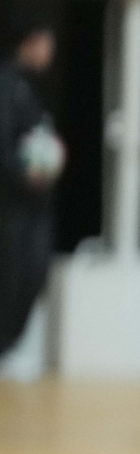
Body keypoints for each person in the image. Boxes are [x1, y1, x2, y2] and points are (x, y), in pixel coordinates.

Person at [0, 21, 65, 362]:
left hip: (35, 206)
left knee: (33, 275)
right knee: (11, 277)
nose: (49, 53)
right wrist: (22, 172)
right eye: (45, 44)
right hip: (11, 207)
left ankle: (8, 349)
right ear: (30, 43)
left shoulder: (33, 88)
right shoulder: (7, 84)